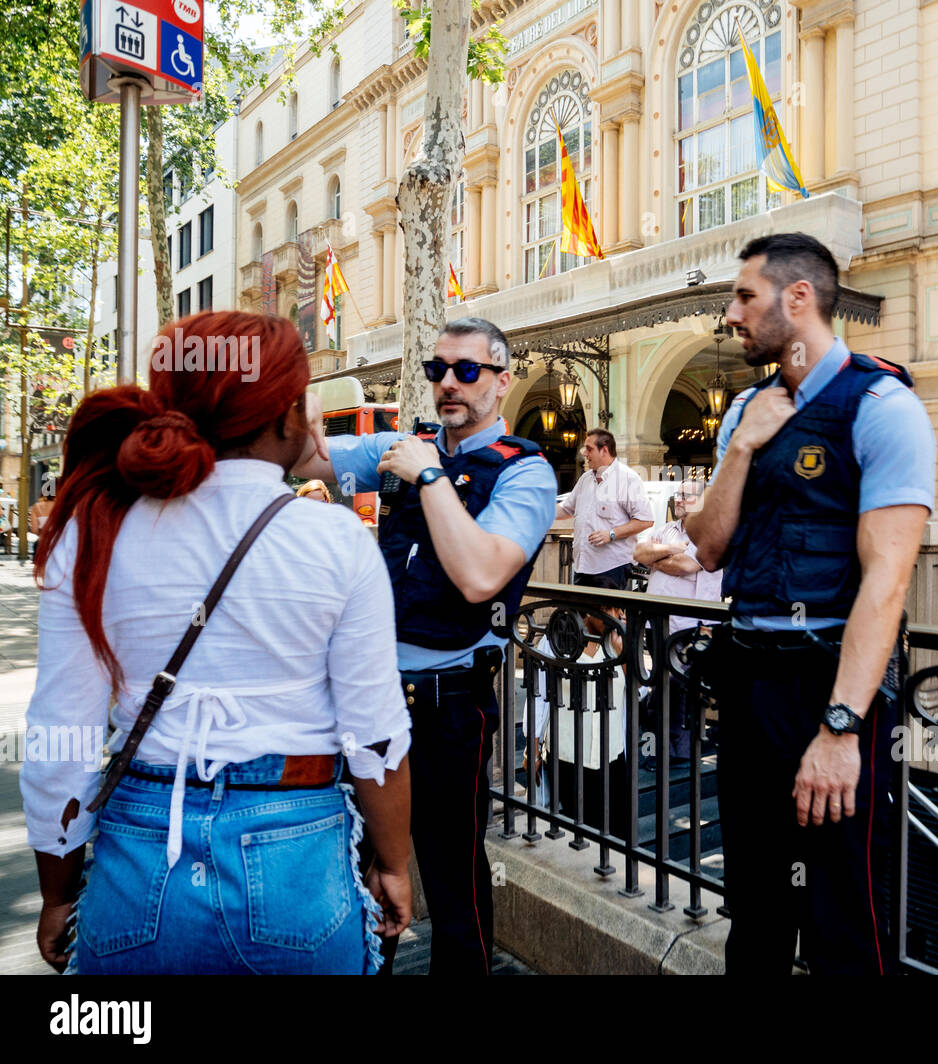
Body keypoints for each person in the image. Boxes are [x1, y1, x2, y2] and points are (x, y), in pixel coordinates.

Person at [21, 310, 413, 975]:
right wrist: (395, 862)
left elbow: (60, 736)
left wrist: (57, 894)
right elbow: (374, 738)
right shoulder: (336, 542)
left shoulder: (95, 533)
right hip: (297, 859)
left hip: (139, 862)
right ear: (286, 414)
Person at [685, 233, 935, 975]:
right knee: (755, 911)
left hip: (829, 688)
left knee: (842, 919)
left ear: (798, 299)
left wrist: (839, 729)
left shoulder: (883, 406)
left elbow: (886, 581)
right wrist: (741, 449)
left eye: (744, 297)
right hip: (748, 680)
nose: (731, 315)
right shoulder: (743, 413)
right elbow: (707, 547)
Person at [293, 316, 557, 976]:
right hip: (371, 698)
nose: (449, 384)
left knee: (453, 875)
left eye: (467, 371)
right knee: (354, 869)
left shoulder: (525, 473)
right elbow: (302, 459)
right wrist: (299, 402)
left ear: (500, 381)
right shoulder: (402, 447)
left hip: (450, 706)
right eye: (438, 370)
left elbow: (479, 575)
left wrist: (432, 478)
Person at [632, 481, 723, 766]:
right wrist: (671, 550)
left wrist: (658, 558)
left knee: (681, 687)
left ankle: (680, 751)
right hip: (658, 622)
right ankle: (663, 746)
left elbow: (687, 566)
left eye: (687, 496)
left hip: (692, 624)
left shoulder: (712, 533)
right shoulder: (667, 529)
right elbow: (638, 554)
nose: (680, 499)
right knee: (660, 683)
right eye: (678, 495)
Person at [527, 610, 631, 840]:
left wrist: (624, 654)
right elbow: (539, 694)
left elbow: (641, 692)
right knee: (575, 839)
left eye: (619, 607)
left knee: (616, 839)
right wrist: (532, 744)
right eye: (609, 607)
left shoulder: (619, 640)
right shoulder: (557, 637)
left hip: (612, 760)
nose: (617, 615)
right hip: (567, 759)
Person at [555, 429, 652, 590]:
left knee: (604, 616)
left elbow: (645, 520)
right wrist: (538, 513)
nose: (585, 453)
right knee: (582, 616)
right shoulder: (585, 478)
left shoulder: (628, 478)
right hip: (582, 566)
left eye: (589, 448)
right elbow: (566, 509)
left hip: (611, 567)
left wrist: (611, 534)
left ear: (604, 450)